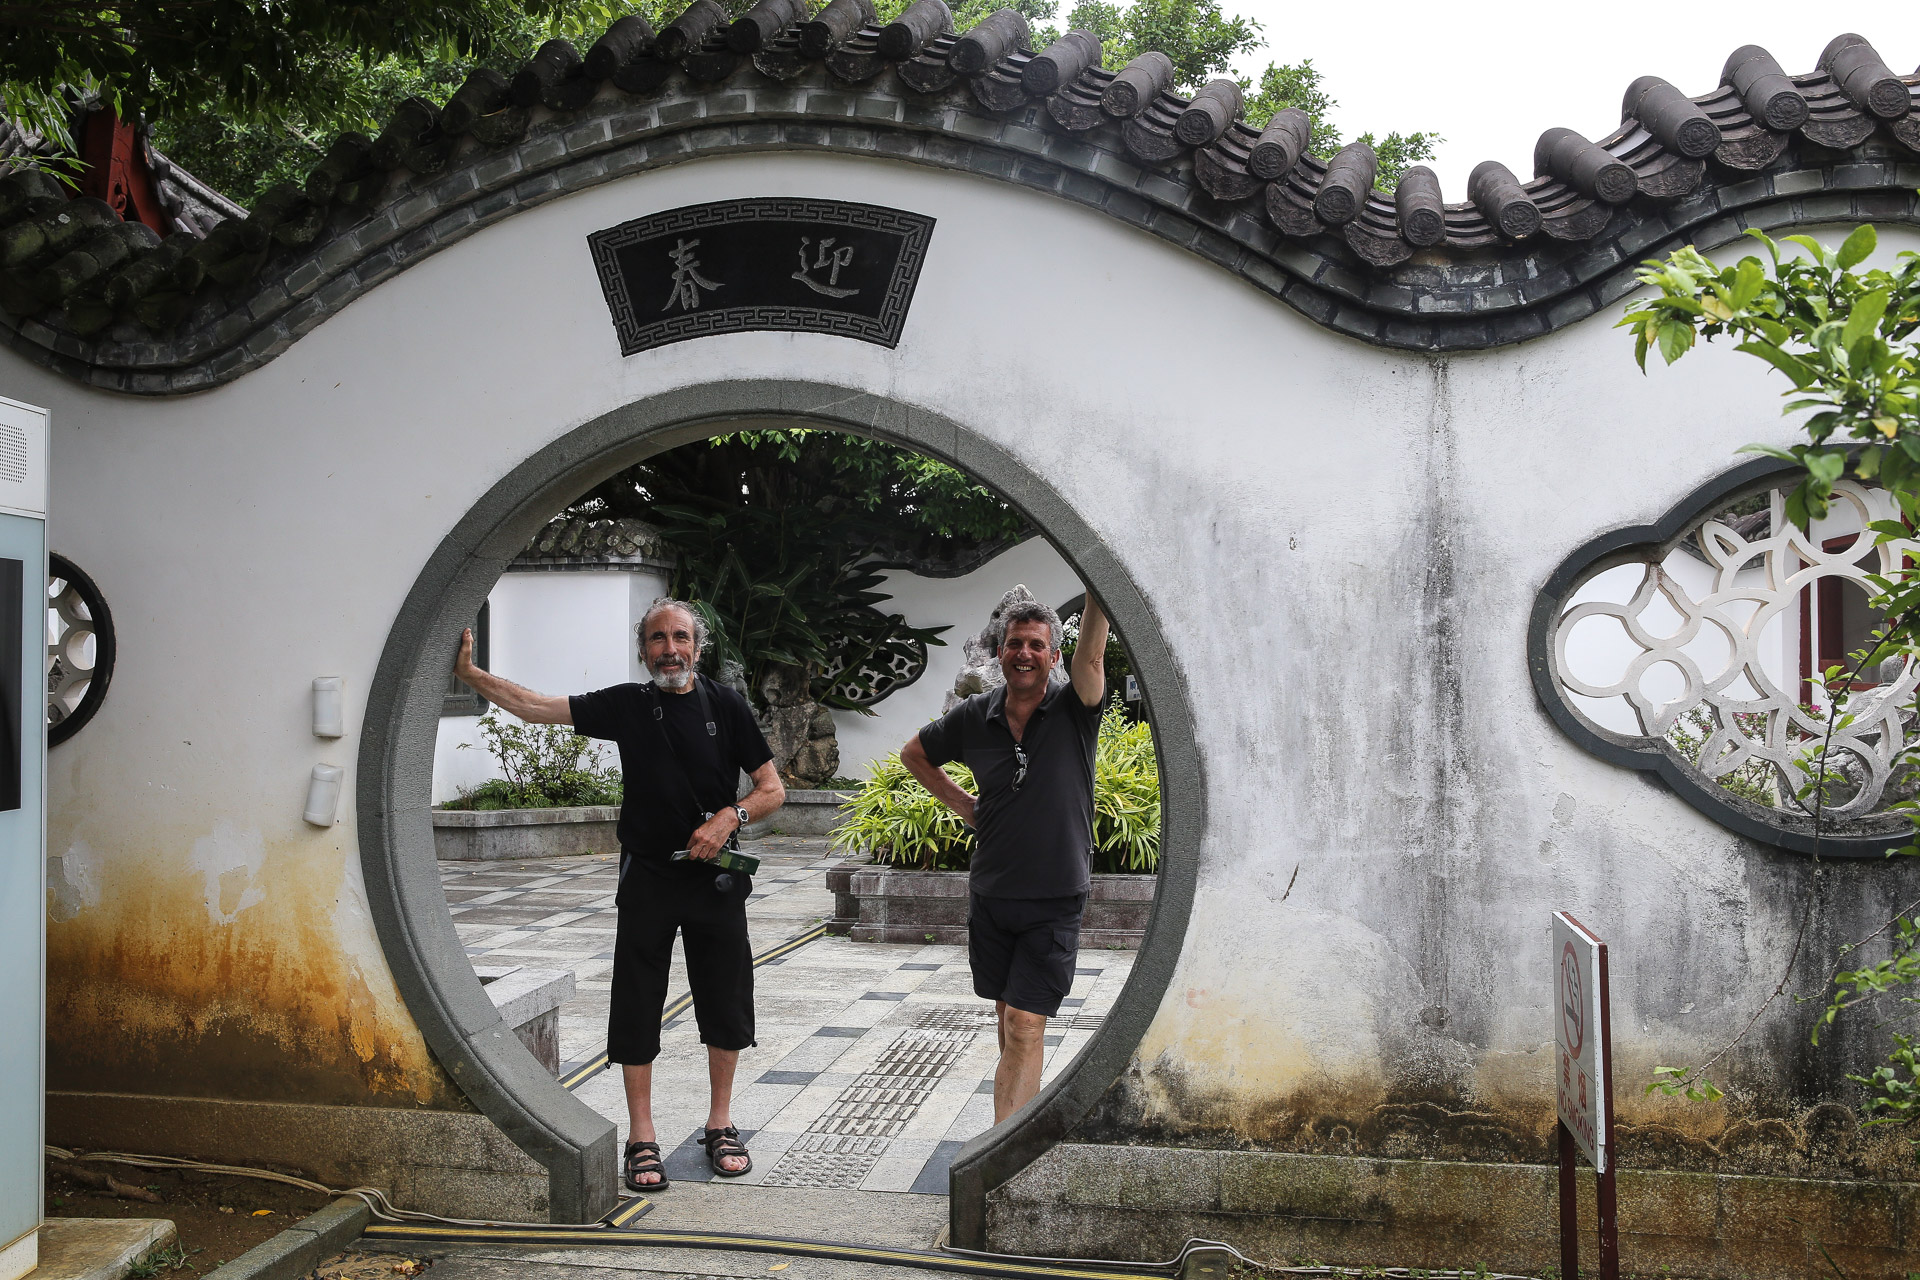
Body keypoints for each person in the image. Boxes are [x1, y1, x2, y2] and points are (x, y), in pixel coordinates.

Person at [453, 598, 785, 1192]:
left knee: (725, 1000)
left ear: (697, 647)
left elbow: (771, 789)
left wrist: (727, 819)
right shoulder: (630, 706)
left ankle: (720, 1124)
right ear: (643, 651)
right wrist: (471, 677)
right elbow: (533, 708)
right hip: (650, 880)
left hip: (715, 880)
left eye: (679, 637)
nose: (669, 649)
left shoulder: (725, 705)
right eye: (657, 639)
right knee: (636, 1000)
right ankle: (642, 1135)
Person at [901, 592, 1107, 1123]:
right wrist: (965, 806)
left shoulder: (1075, 708)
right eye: (1014, 643)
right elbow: (915, 755)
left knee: (1023, 1023)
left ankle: (1001, 1153)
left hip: (1055, 895)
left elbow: (1092, 656)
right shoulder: (975, 716)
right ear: (998, 651)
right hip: (992, 893)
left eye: (1037, 645)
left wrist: (1101, 589)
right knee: (1006, 1015)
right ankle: (1015, 1121)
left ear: (1053, 657)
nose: (1024, 653)